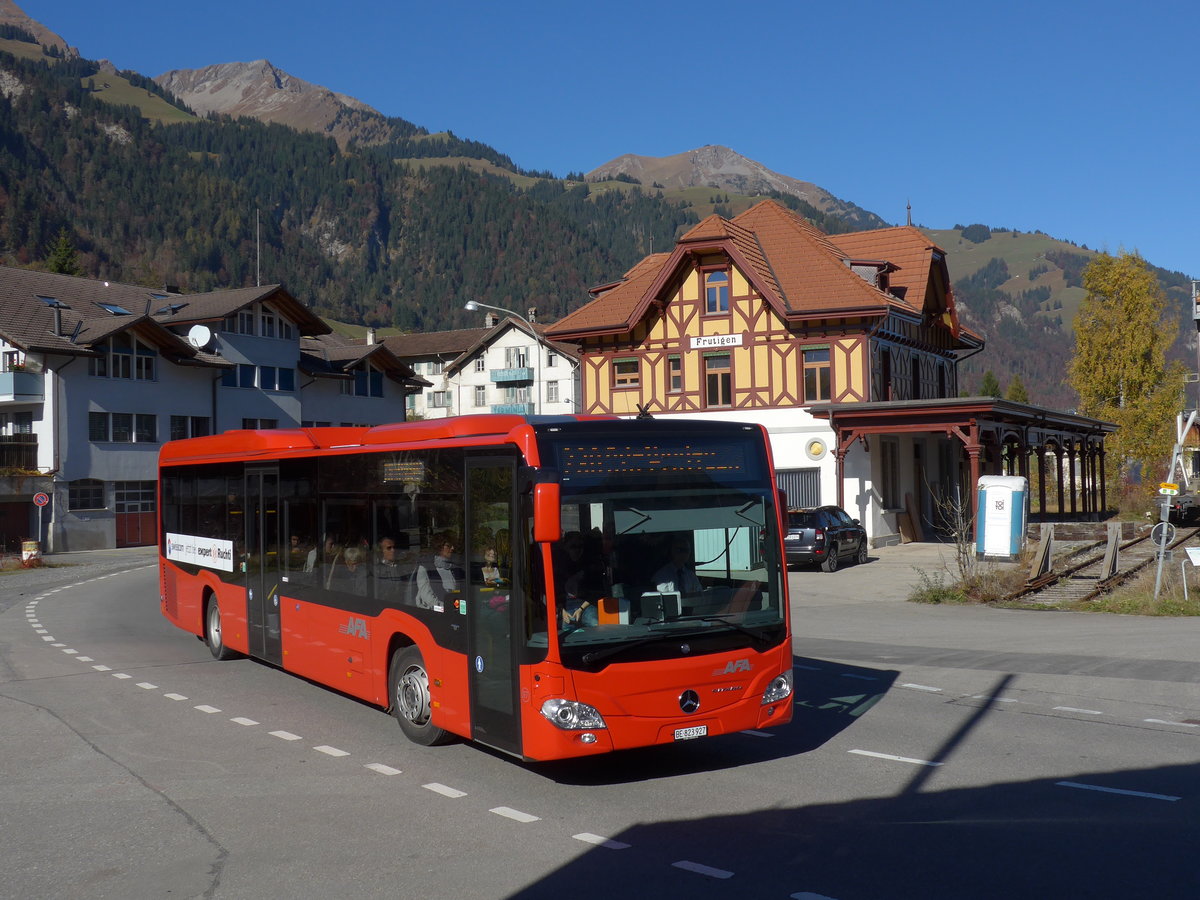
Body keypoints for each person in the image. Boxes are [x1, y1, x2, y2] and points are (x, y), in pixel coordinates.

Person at [413, 531, 461, 610]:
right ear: (439, 547)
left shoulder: (453, 567)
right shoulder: (425, 567)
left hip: (453, 610)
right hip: (435, 613)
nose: (452, 548)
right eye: (448, 546)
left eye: (453, 545)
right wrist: (446, 608)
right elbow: (427, 598)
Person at [373, 536, 407, 601]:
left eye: (394, 547)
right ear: (381, 551)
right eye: (389, 548)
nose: (393, 550)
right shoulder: (377, 570)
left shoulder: (401, 567)